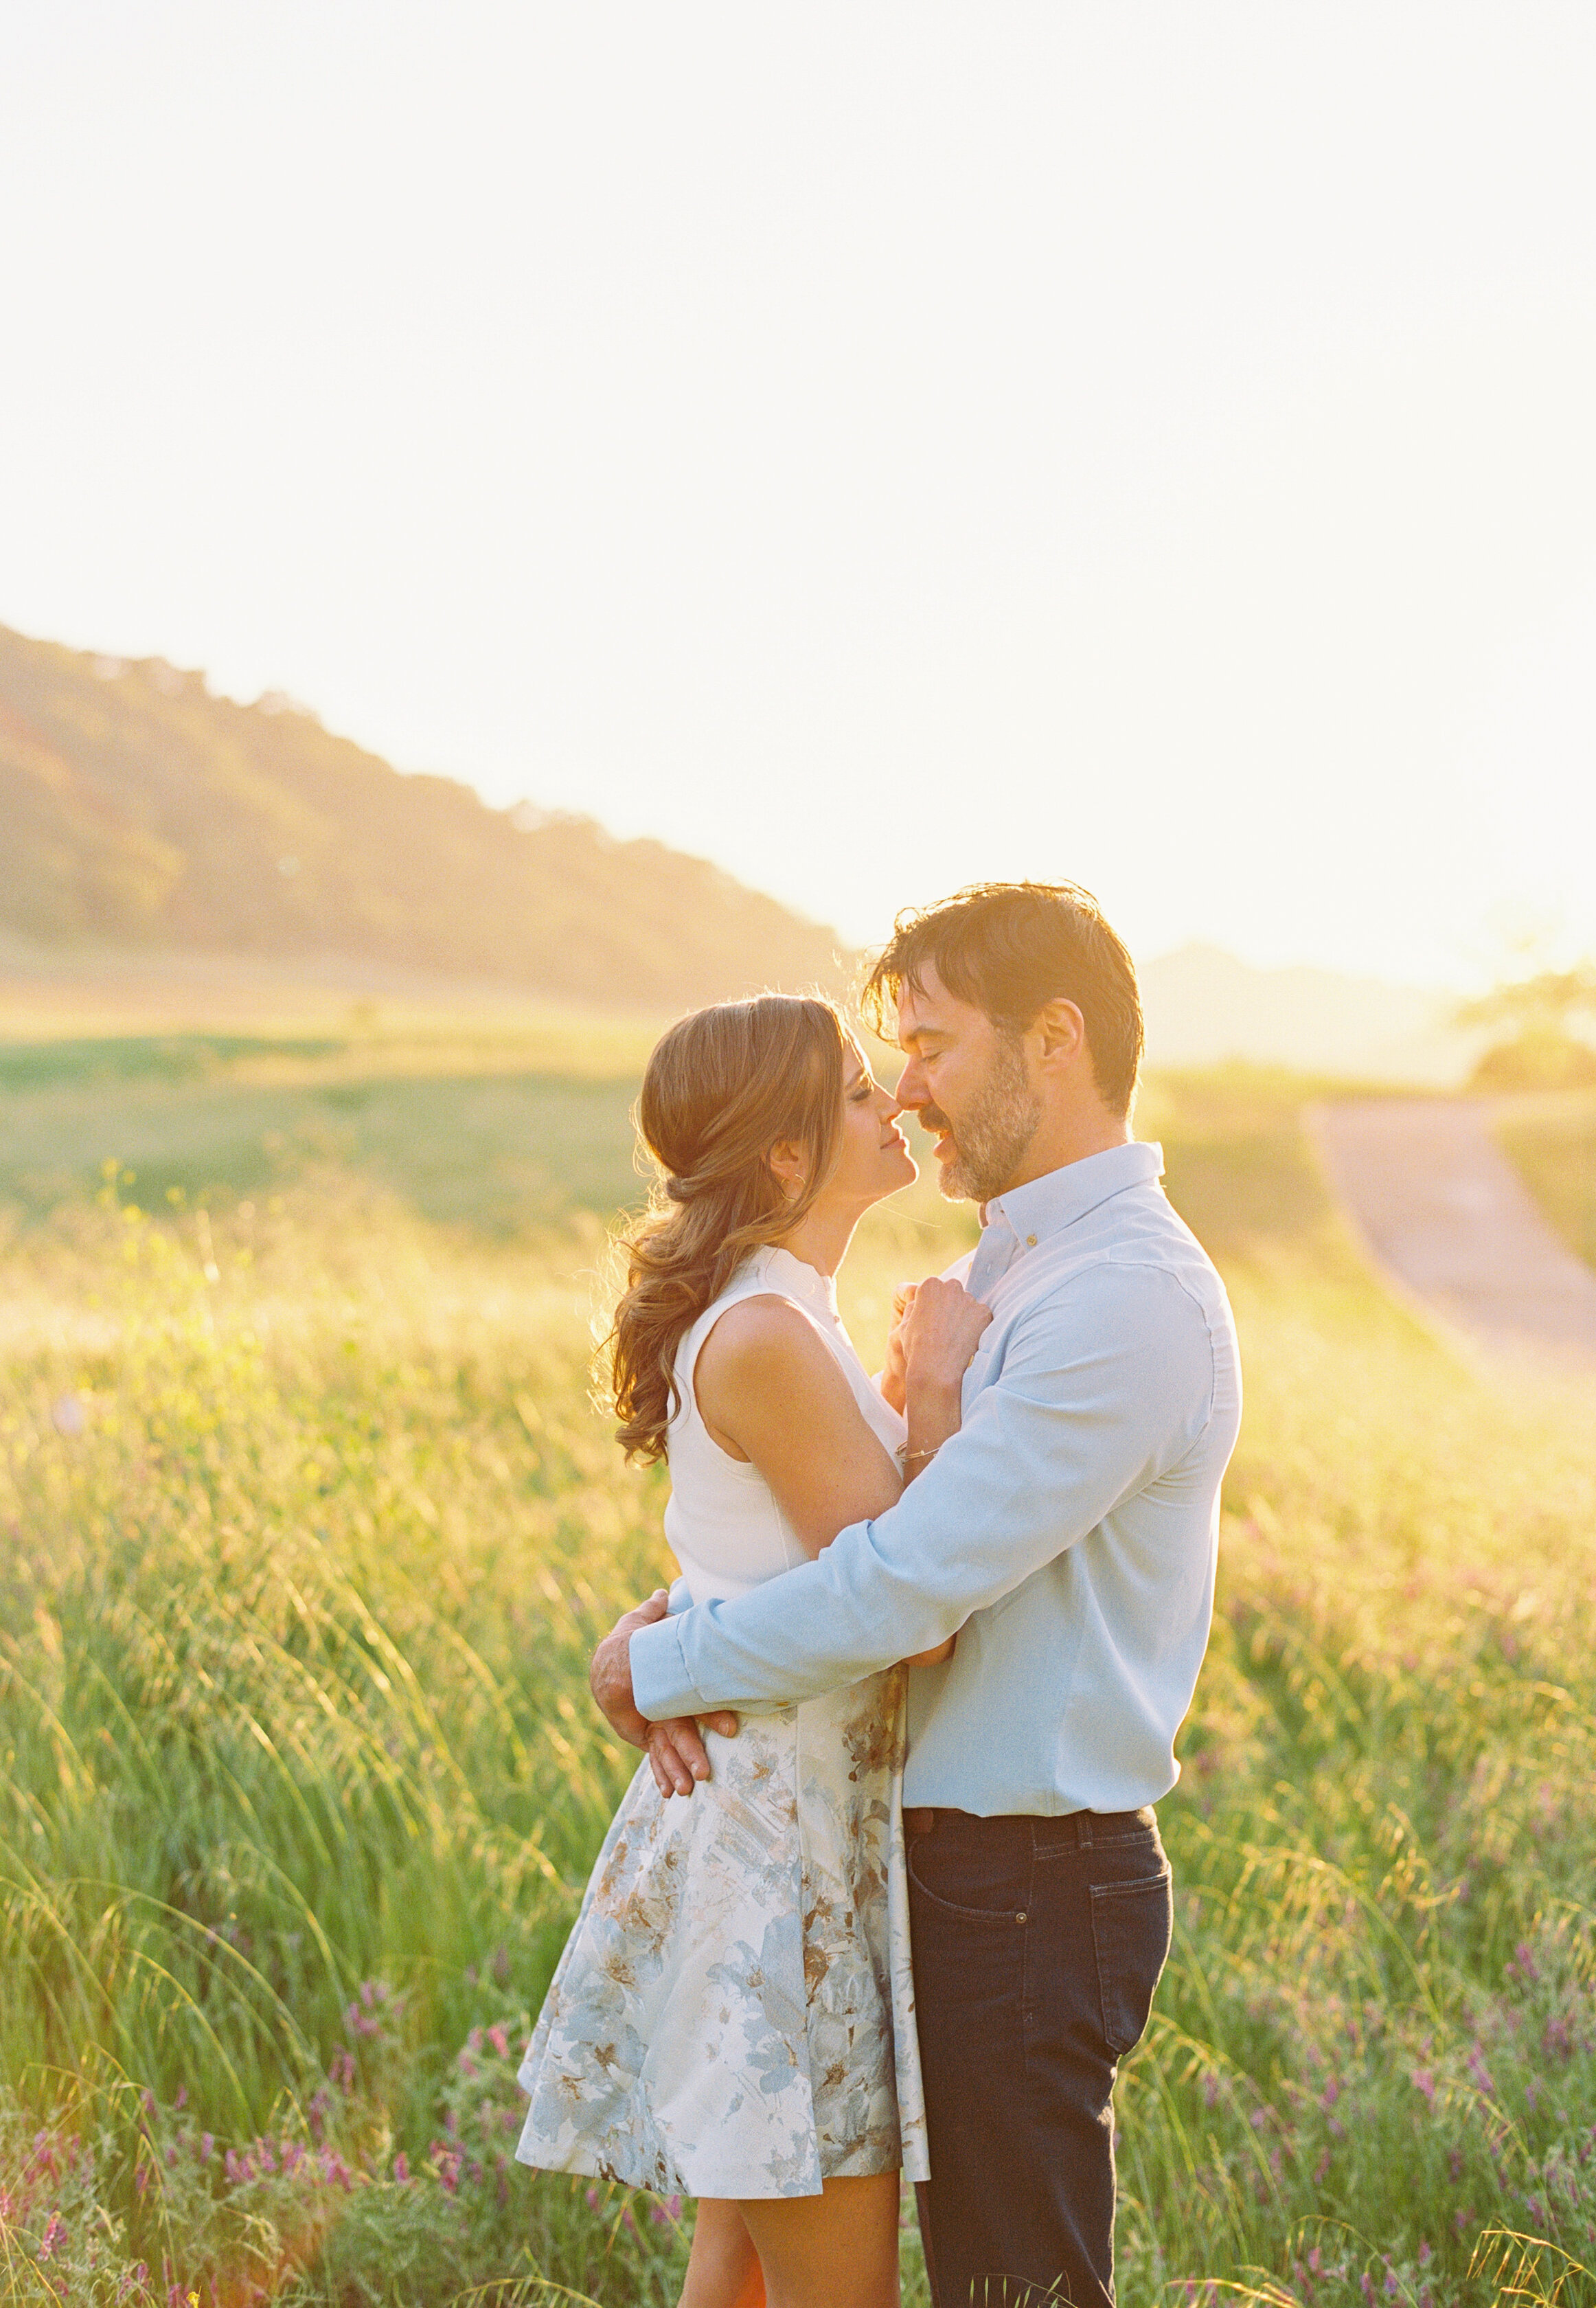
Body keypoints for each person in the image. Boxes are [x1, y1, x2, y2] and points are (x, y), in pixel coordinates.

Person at [594, 882, 1243, 2308]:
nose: (909, 1092)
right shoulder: (1003, 1266)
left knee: (1010, 2288)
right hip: (917, 1855)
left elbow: (897, 1587)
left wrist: (665, 1663)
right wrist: (668, 1621)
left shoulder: (1115, 1299)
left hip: (1030, 1872)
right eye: (886, 1061)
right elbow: (804, 1525)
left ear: (1053, 1038)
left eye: (933, 1047)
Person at [514, 993, 992, 2308]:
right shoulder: (769, 1333)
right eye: (852, 1089)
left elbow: (766, 1559)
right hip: (783, 1853)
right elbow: (918, 1609)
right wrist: (940, 1389)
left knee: (737, 2270)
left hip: (783, 1827)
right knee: (833, 2290)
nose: (890, 1098)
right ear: (785, 1157)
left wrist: (649, 1637)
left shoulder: (783, 1314)